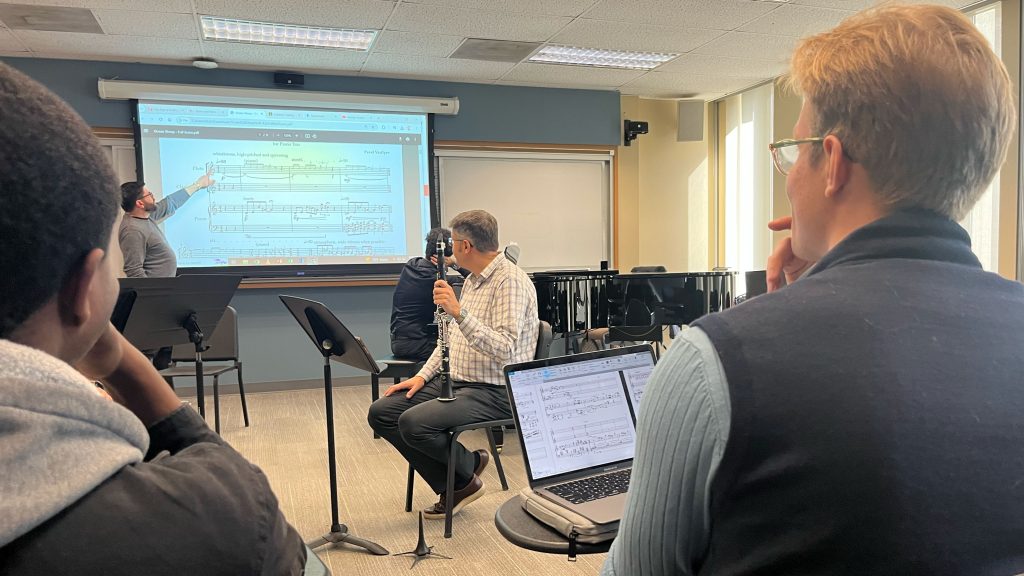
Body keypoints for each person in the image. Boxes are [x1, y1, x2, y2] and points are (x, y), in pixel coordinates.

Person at [604, 5, 1024, 575]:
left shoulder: (717, 363)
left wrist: (772, 320)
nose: (787, 178)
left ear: (830, 163)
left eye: (789, 152)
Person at [0, 62, 305, 574]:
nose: (151, 200)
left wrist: (200, 184)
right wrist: (124, 360)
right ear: (84, 288)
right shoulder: (195, 518)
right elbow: (267, 535)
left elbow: (167, 204)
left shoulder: (148, 217)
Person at [368, 210, 538, 518]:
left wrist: (460, 313)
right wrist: (421, 377)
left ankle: (462, 477)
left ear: (466, 246)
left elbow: (505, 349)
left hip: (496, 390)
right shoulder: (473, 280)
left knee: (413, 423)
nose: (449, 250)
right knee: (382, 413)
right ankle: (464, 474)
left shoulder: (509, 282)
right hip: (459, 381)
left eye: (453, 242)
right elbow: (450, 339)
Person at [119, 171, 214, 278]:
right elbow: (134, 271)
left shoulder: (145, 216)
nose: (153, 197)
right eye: (149, 195)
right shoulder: (132, 230)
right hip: (155, 292)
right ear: (140, 203)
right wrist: (152, 292)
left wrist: (198, 185)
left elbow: (170, 203)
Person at [390, 227, 456, 361]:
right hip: (415, 344)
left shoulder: (412, 264)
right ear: (444, 257)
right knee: (459, 352)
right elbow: (472, 279)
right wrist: (455, 264)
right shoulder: (435, 279)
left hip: (399, 340)